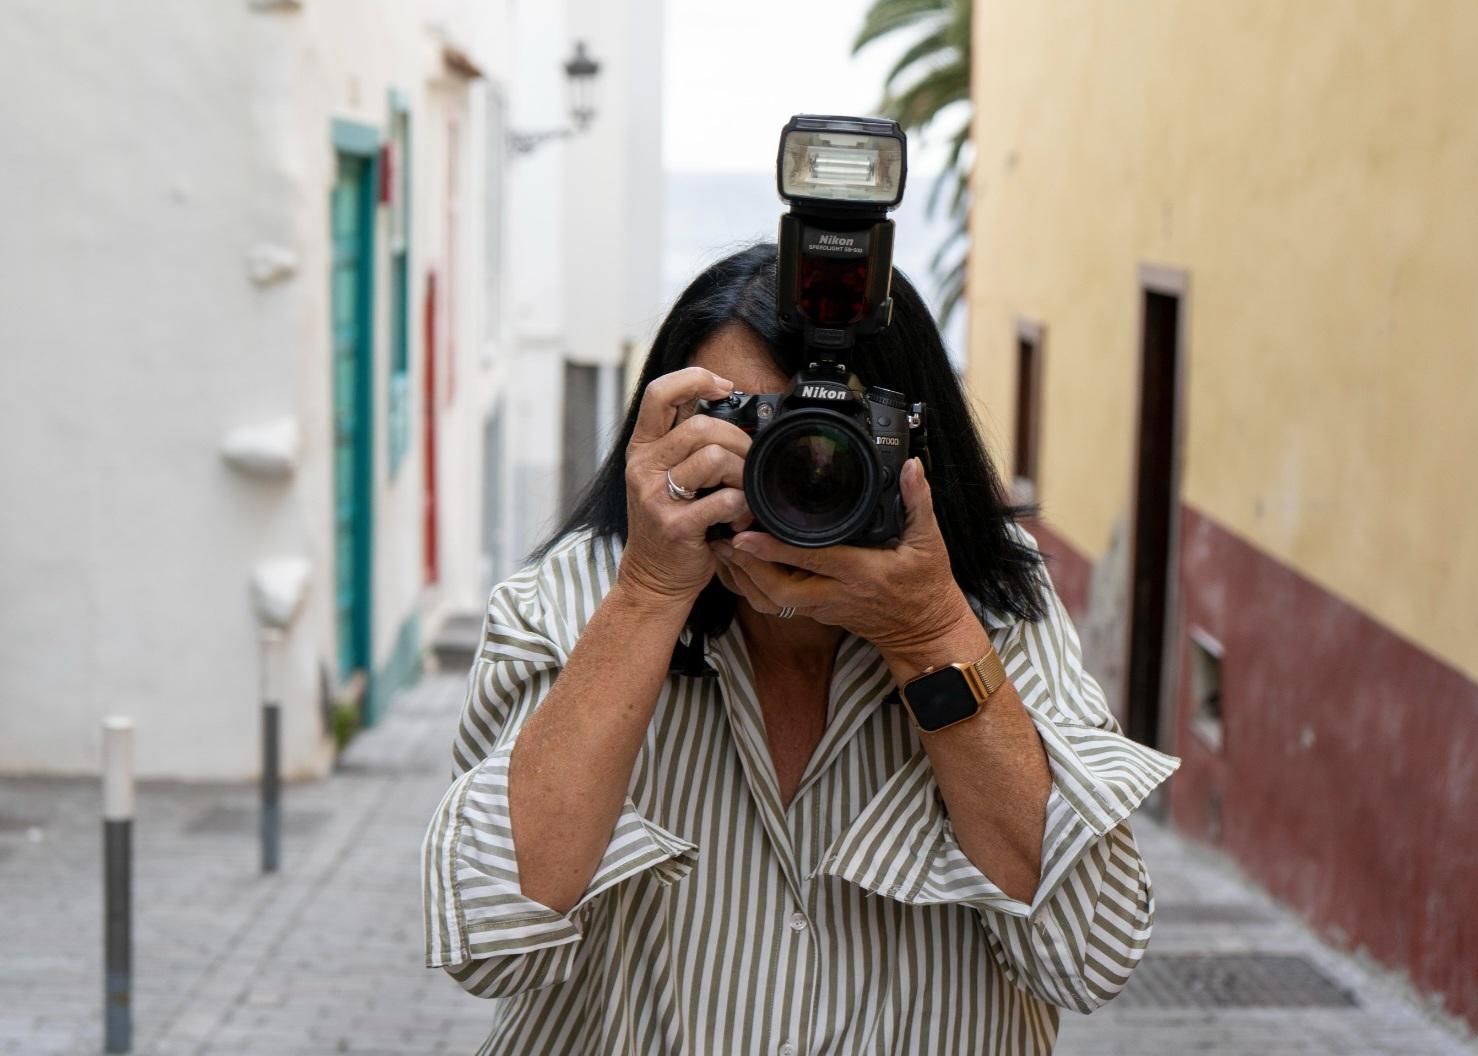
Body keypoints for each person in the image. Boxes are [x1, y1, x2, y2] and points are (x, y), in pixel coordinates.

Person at [421, 243, 1179, 1055]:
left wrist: (928, 635)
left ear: (919, 448)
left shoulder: (990, 605)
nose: (794, 474)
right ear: (663, 435)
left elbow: (1089, 960)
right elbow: (489, 942)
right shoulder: (578, 598)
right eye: (745, 430)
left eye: (834, 439)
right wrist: (648, 594)